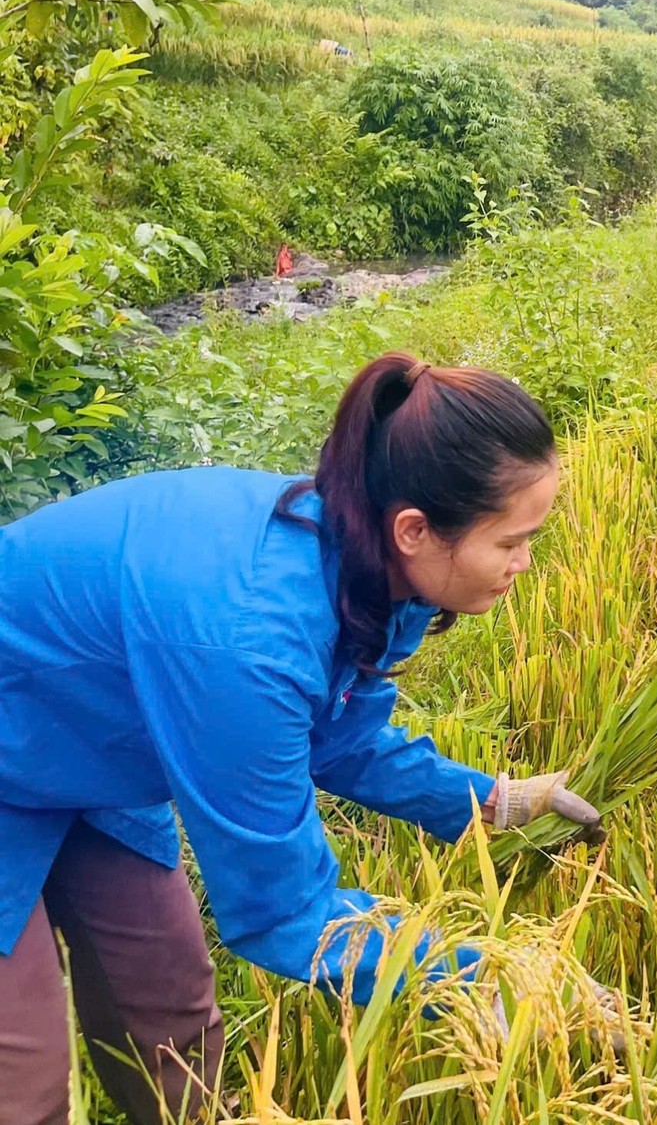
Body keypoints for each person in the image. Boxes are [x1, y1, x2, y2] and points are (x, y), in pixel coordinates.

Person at [0, 354, 602, 1125]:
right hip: (21, 733)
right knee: (24, 1082)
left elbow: (339, 740)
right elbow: (283, 912)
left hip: (91, 746)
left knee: (170, 1014)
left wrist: (488, 799)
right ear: (416, 529)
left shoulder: (373, 568)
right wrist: (483, 979)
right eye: (512, 541)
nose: (524, 564)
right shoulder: (248, 642)